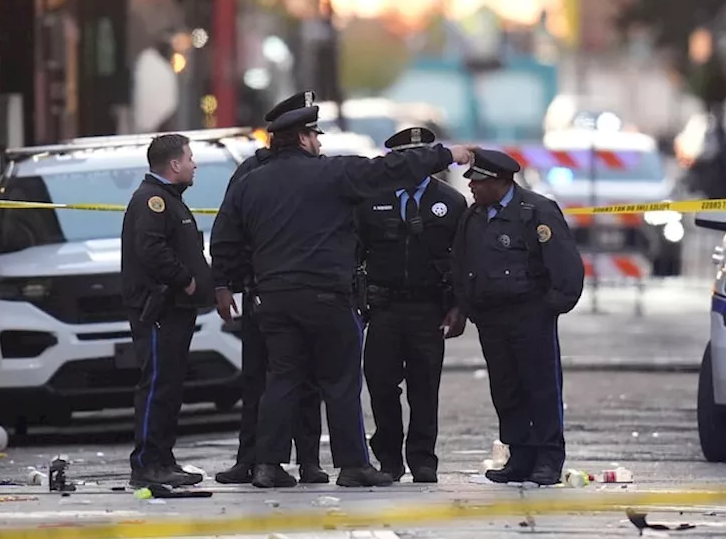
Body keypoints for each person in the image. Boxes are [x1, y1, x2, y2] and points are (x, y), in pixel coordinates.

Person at [211, 105, 474, 488]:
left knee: (282, 379)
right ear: (302, 138)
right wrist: (447, 154)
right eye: (315, 135)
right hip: (326, 298)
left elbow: (226, 236)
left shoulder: (251, 182)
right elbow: (390, 170)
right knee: (339, 381)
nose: (319, 142)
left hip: (274, 299)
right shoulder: (333, 173)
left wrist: (224, 284)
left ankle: (267, 465)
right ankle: (353, 465)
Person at [450, 148, 584, 486]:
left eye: (478, 182)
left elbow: (565, 265)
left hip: (529, 316)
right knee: (506, 389)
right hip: (492, 318)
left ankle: (548, 458)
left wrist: (549, 307)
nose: (472, 188)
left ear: (501, 181)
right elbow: (462, 263)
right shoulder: (474, 216)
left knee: (539, 387)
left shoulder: (536, 211)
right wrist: (468, 307)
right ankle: (520, 456)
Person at [214, 92, 327, 485]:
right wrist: (225, 283)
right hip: (259, 289)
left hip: (292, 289)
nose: (316, 141)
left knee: (306, 379)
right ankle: (251, 458)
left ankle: (308, 460)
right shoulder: (251, 172)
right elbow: (228, 232)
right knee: (258, 379)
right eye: (310, 132)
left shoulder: (318, 170)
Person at [356, 127, 468, 484]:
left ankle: (423, 459)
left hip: (428, 308)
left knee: (424, 387)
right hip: (384, 307)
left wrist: (458, 307)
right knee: (381, 384)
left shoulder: (450, 202)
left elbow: (461, 259)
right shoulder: (372, 198)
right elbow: (355, 251)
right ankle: (388, 457)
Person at [121, 133, 214, 488]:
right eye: (190, 158)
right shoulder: (153, 201)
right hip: (161, 308)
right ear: (174, 164)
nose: (194, 165)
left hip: (176, 310)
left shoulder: (168, 199)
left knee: (170, 387)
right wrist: (185, 280)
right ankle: (146, 464)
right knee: (158, 384)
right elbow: (152, 250)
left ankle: (163, 458)